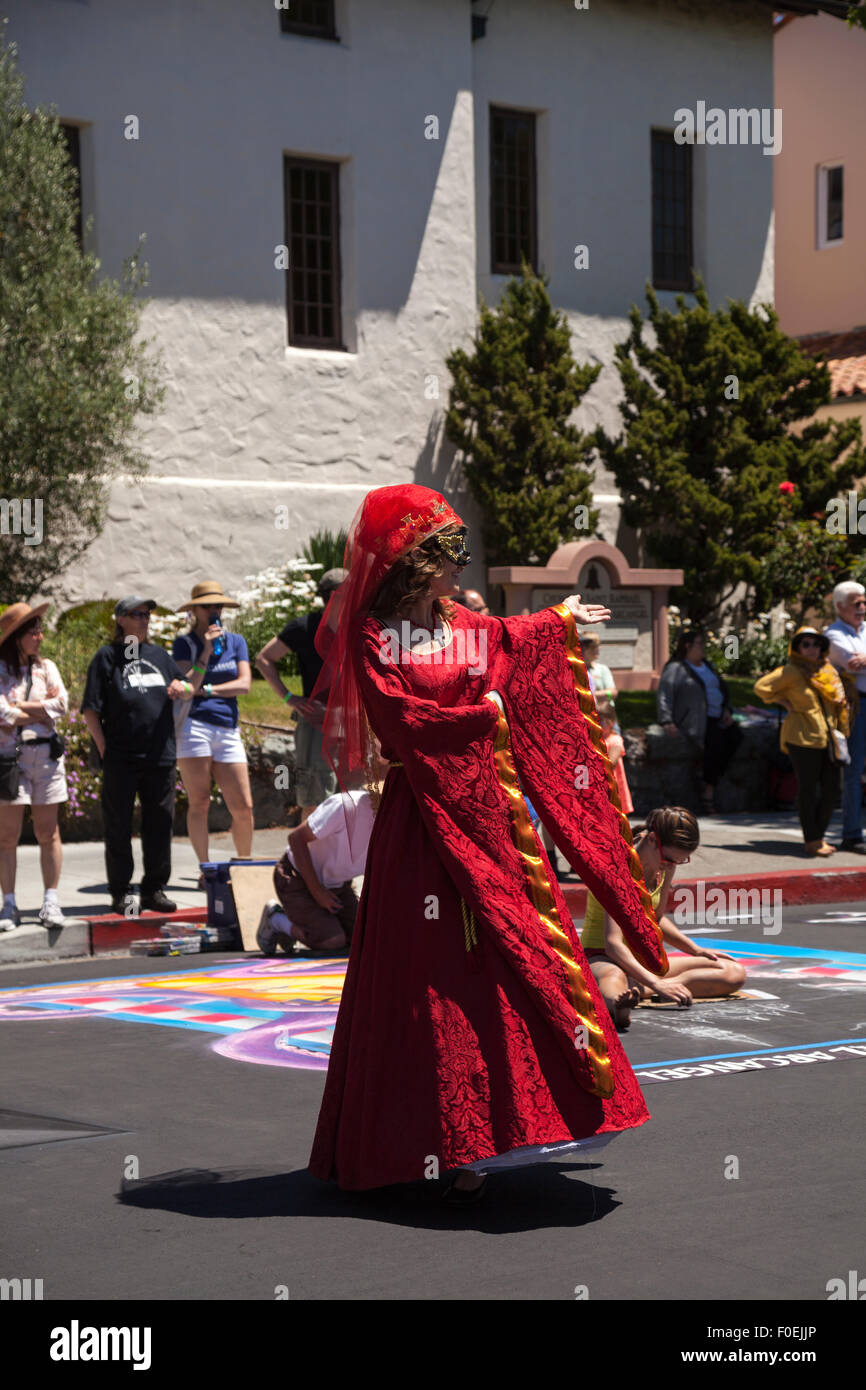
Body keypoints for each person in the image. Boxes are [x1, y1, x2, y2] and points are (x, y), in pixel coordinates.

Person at [307, 484, 670, 1202]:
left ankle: (513, 1125)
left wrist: (558, 621)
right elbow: (403, 723)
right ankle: (438, 1143)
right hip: (424, 830)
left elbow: (510, 639)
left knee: (515, 958)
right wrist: (484, 718)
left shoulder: (459, 624)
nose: (460, 570)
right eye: (447, 556)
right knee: (432, 977)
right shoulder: (377, 636)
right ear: (413, 561)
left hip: (492, 820)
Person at [81, 597, 199, 914]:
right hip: (121, 756)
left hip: (160, 755)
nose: (145, 619)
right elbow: (91, 710)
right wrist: (104, 747)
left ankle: (154, 889)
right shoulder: (106, 657)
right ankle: (122, 892)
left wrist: (182, 689)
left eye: (147, 614)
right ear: (120, 620)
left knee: (159, 824)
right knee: (118, 825)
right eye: (137, 614)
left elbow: (187, 687)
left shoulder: (159, 655)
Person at [580, 807, 745, 1032]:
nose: (670, 865)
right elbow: (613, 944)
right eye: (669, 859)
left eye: (679, 861)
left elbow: (655, 917)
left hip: (643, 959)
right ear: (651, 839)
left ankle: (645, 989)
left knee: (732, 971)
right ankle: (621, 1006)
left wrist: (695, 950)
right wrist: (657, 982)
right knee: (612, 980)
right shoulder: (618, 869)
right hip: (603, 956)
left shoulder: (665, 865)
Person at [173, 582, 254, 876]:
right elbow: (185, 687)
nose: (214, 611)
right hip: (195, 727)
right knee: (200, 801)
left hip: (227, 728)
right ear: (194, 610)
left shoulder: (236, 642)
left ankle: (244, 867)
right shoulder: (185, 644)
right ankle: (205, 869)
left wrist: (206, 690)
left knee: (243, 806)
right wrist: (206, 651)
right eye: (207, 606)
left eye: (217, 606)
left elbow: (244, 685)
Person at [255, 568, 348, 821]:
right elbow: (264, 659)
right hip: (315, 725)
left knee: (354, 798)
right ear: (334, 595)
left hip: (351, 723)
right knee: (315, 800)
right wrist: (288, 697)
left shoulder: (359, 628)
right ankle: (309, 858)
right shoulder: (304, 627)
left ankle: (346, 861)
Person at [0, 603, 70, 929]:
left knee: (48, 832)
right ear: (16, 638)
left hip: (47, 759)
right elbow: (4, 715)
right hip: (11, 759)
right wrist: (40, 710)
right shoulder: (1, 671)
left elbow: (62, 704)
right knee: (7, 836)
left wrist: (21, 707)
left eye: (40, 630)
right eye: (34, 631)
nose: (40, 637)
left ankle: (50, 903)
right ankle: (9, 905)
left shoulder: (47, 668)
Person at [754, 627, 850, 858]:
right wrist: (783, 702)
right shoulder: (791, 671)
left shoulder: (827, 671)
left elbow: (838, 699)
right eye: (805, 644)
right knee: (808, 790)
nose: (811, 649)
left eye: (816, 644)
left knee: (832, 790)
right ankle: (813, 840)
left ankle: (819, 835)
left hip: (828, 738)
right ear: (797, 648)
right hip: (802, 738)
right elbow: (761, 687)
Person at [257, 788, 375, 956]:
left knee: (365, 938)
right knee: (332, 940)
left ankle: (306, 924)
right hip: (297, 877)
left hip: (337, 886)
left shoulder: (396, 825)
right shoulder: (346, 806)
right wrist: (317, 891)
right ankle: (277, 920)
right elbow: (296, 838)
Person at [657, 629, 742, 814]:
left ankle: (709, 780)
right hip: (696, 720)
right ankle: (708, 792)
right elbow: (664, 694)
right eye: (699, 644)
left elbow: (722, 689)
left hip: (717, 716)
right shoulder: (676, 668)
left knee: (736, 737)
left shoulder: (708, 666)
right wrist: (666, 720)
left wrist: (726, 709)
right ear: (688, 646)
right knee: (716, 744)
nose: (703, 647)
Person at [824, 581, 866, 854]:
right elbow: (850, 662)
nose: (862, 608)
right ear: (840, 607)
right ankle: (851, 833)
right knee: (854, 772)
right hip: (857, 707)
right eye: (856, 603)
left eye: (864, 602)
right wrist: (859, 662)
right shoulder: (832, 634)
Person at [597, 698, 632, 814]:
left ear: (611, 721)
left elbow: (611, 763)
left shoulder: (615, 740)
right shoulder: (596, 739)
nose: (596, 723)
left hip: (611, 787)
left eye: (600, 720)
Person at [581, 635, 617, 704]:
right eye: (593, 647)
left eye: (598, 646)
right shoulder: (576, 669)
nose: (598, 649)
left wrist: (592, 694)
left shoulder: (602, 669)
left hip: (603, 711)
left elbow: (612, 692)